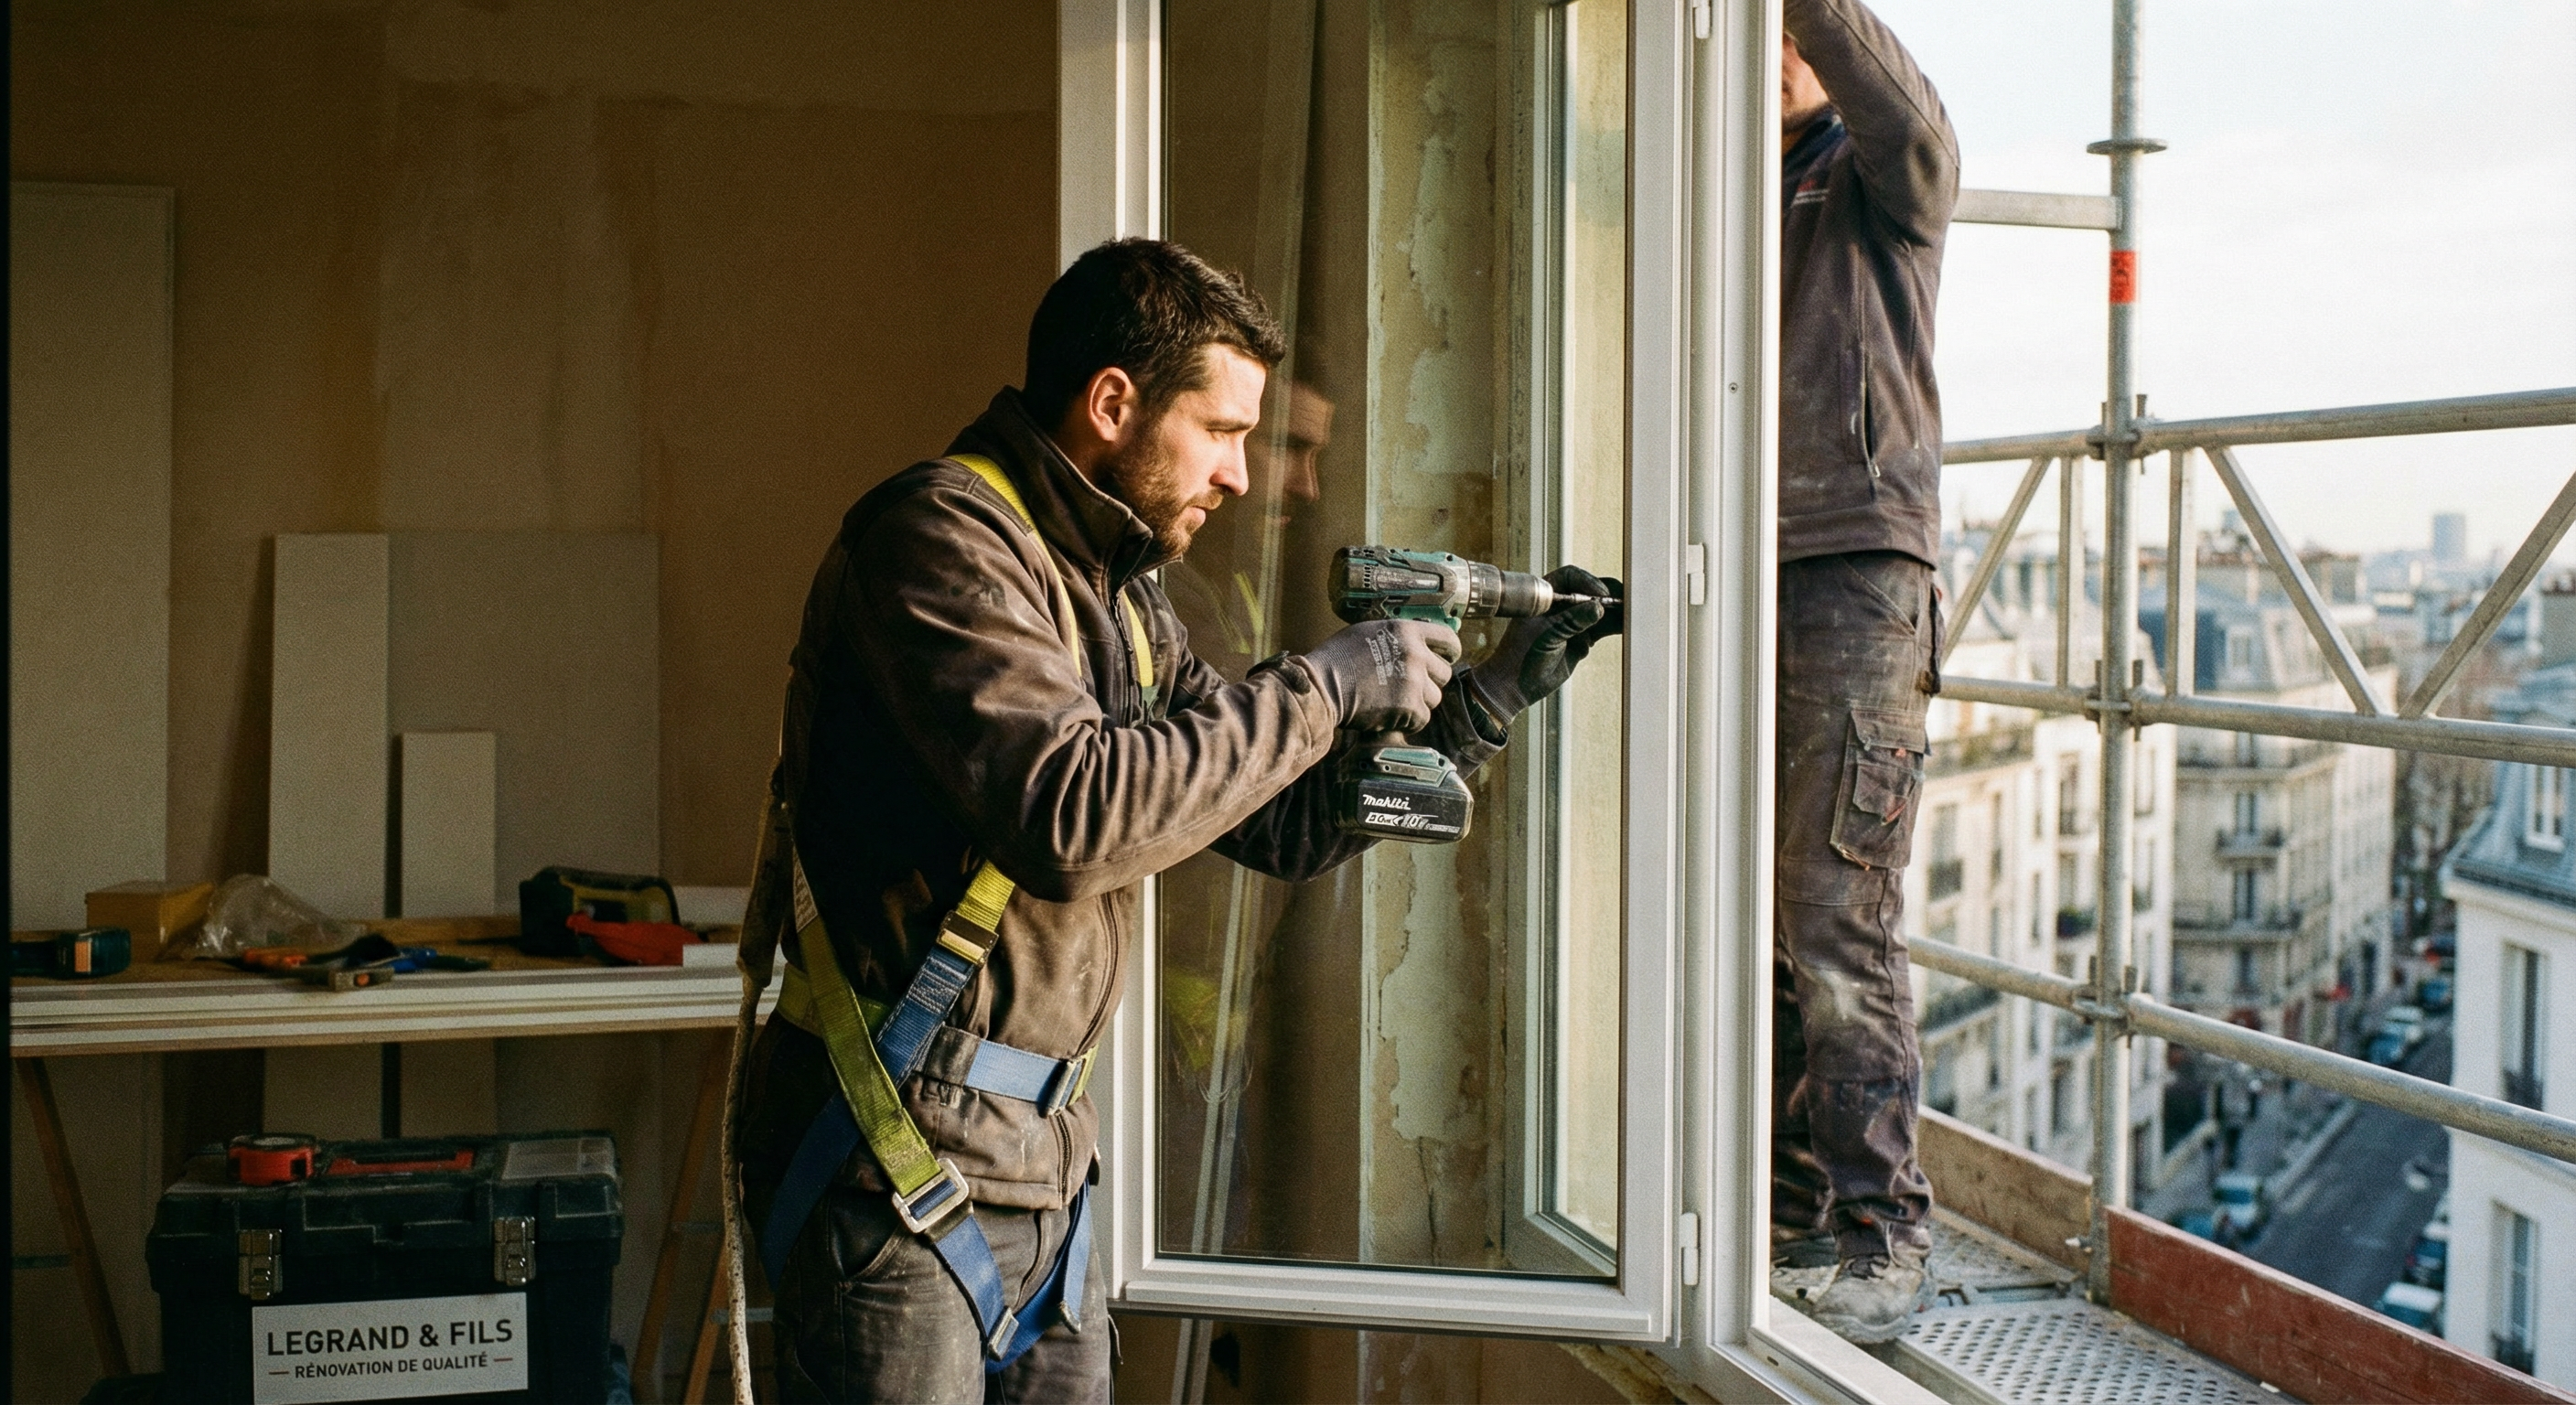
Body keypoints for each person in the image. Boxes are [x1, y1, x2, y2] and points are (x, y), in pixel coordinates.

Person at [733, 238, 1617, 1402]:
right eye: (1223, 431)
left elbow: (1279, 823)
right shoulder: (939, 544)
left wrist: (1484, 703)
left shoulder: (1121, 595)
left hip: (1042, 1173)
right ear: (1112, 405)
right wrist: (1329, 682)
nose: (1240, 475)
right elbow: (1072, 816)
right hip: (891, 1174)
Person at [1766, 0, 1960, 1345]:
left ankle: (1884, 1231)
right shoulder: (1716, 189)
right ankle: (1791, 1216)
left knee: (1838, 913)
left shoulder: (1873, 176)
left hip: (1855, 567)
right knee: (1753, 920)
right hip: (1733, 562)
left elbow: (1917, 132)